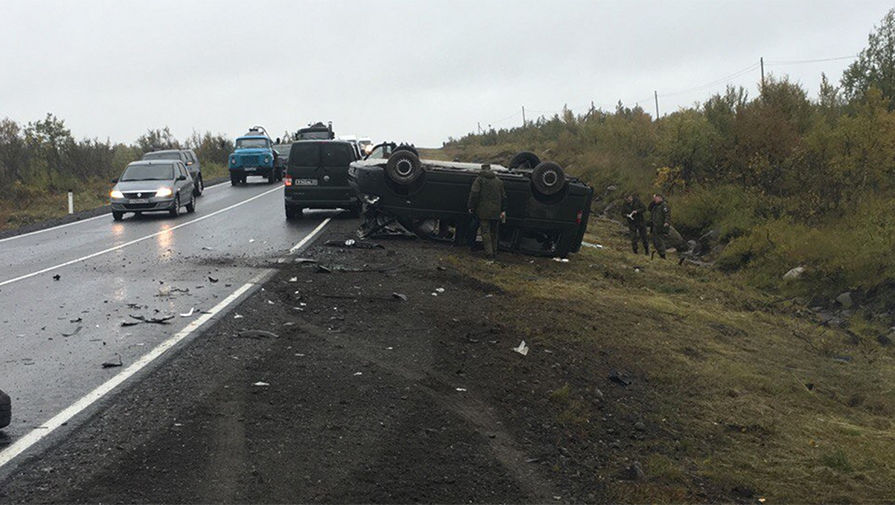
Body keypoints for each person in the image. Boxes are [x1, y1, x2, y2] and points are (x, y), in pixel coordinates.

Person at [467, 164, 507, 258]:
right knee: (494, 232)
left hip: (483, 211)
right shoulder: (498, 181)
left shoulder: (479, 180)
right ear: (490, 169)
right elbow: (504, 197)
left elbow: (474, 194)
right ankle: (495, 251)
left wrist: (471, 206)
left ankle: (489, 254)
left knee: (485, 232)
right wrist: (503, 210)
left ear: (482, 169)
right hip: (496, 211)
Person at [648, 193, 685, 259]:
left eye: (656, 198)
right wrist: (653, 201)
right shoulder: (655, 206)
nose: (654, 200)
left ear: (660, 198)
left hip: (661, 226)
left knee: (659, 240)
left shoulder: (664, 205)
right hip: (655, 226)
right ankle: (660, 253)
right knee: (655, 241)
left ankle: (662, 255)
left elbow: (667, 214)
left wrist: (666, 222)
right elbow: (649, 208)